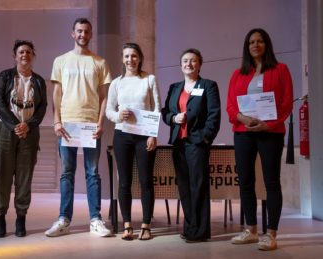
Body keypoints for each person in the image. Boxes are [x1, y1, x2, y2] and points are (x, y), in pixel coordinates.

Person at [227, 28, 293, 251]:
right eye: (251, 42)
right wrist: (242, 118)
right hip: (243, 132)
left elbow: (285, 102)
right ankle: (251, 230)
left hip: (270, 133)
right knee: (245, 182)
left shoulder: (281, 69)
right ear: (247, 47)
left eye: (260, 41)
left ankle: (271, 233)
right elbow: (230, 105)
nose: (255, 45)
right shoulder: (238, 74)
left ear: (267, 45)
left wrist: (269, 124)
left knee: (271, 182)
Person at [45, 18, 112, 237]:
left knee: (92, 173)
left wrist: (101, 123)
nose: (83, 34)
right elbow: (56, 93)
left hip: (91, 124)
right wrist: (56, 121)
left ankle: (95, 220)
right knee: (67, 173)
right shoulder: (61, 61)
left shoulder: (100, 63)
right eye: (79, 31)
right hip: (67, 125)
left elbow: (104, 97)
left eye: (86, 31)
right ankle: (64, 220)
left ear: (91, 35)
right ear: (72, 34)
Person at [162, 48, 221, 243]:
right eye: (185, 60)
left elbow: (214, 115)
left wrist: (205, 138)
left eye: (193, 61)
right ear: (181, 65)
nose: (189, 63)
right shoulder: (174, 87)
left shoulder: (208, 85)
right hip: (179, 142)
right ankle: (189, 227)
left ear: (199, 64)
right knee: (185, 187)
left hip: (196, 143)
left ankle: (201, 231)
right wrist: (173, 117)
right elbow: (165, 112)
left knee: (198, 186)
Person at [106, 43, 161, 241]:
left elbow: (156, 109)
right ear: (122, 59)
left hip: (144, 135)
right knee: (124, 182)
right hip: (122, 135)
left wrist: (153, 134)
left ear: (140, 58)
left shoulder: (149, 79)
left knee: (146, 181)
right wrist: (119, 115)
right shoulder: (116, 83)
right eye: (127, 56)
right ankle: (127, 224)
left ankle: (146, 225)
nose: (131, 60)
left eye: (134, 56)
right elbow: (109, 111)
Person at [0, 39, 47, 238]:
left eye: (28, 52)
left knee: (24, 178)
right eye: (21, 52)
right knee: (3, 176)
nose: (25, 55)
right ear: (15, 56)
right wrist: (16, 125)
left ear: (33, 56)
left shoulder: (40, 81)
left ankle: (20, 219)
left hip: (29, 132)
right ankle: (0, 218)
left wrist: (28, 125)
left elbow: (42, 107)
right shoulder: (4, 76)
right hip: (6, 130)